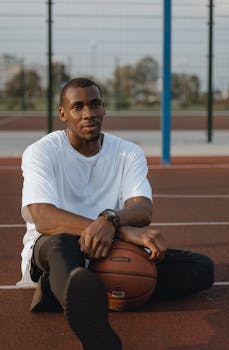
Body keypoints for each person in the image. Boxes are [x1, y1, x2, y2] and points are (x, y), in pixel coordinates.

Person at [18, 77, 214, 350]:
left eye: (95, 104)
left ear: (104, 109)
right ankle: (89, 323)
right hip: (55, 246)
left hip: (110, 248)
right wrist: (117, 227)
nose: (89, 113)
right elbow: (43, 217)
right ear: (63, 114)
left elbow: (142, 208)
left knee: (201, 268)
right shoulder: (41, 152)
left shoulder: (128, 152)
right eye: (78, 107)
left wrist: (110, 222)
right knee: (62, 244)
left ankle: (66, 290)